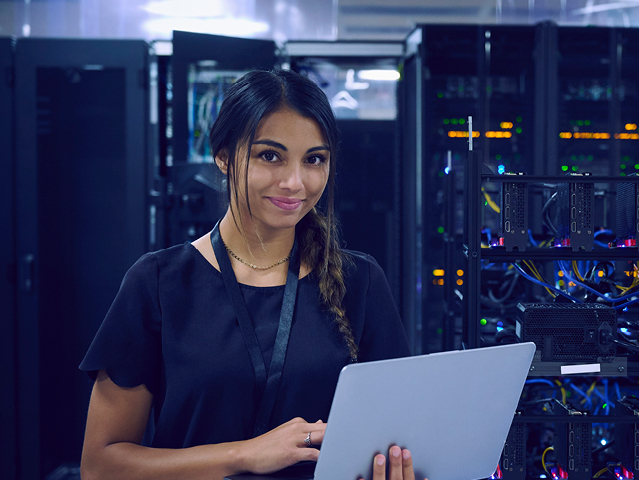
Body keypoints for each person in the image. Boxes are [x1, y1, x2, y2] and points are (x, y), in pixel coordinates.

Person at [79, 69, 421, 480]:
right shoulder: (157, 283)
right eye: (270, 155)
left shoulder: (359, 281)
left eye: (314, 159)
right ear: (224, 156)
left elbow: (395, 439)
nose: (295, 182)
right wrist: (243, 455)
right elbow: (101, 467)